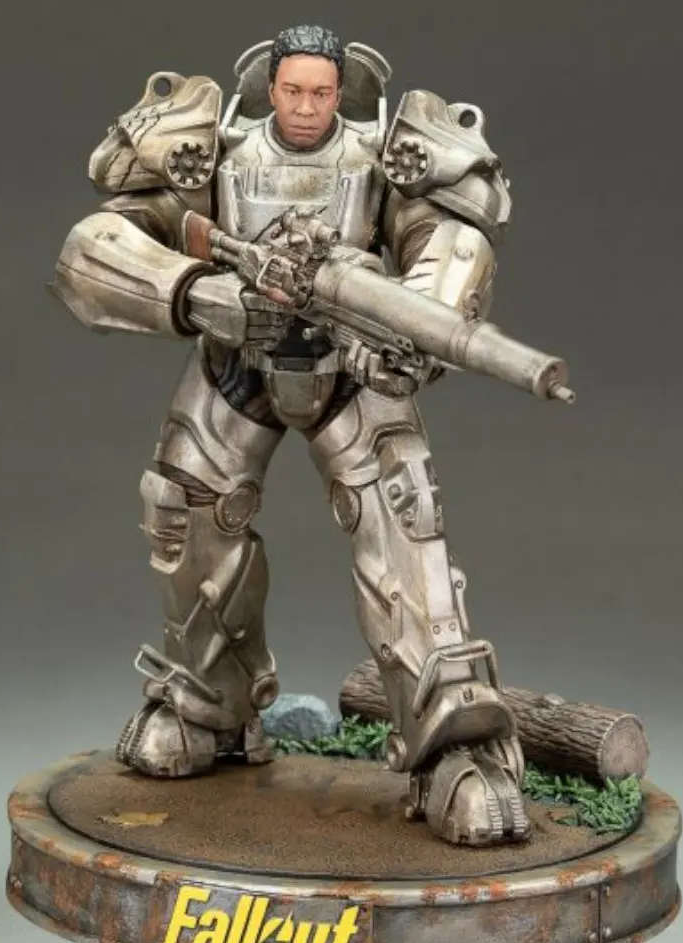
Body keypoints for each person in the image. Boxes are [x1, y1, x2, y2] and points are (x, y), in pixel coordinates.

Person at [49, 24, 531, 846]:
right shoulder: (211, 151)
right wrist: (196, 292)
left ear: (342, 92)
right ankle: (208, 704)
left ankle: (453, 741)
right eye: (293, 91)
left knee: (405, 520)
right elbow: (91, 249)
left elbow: (456, 239)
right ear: (269, 88)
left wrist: (412, 320)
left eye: (322, 93)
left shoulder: (389, 156)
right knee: (185, 507)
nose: (307, 107)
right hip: (234, 362)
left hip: (353, 370)